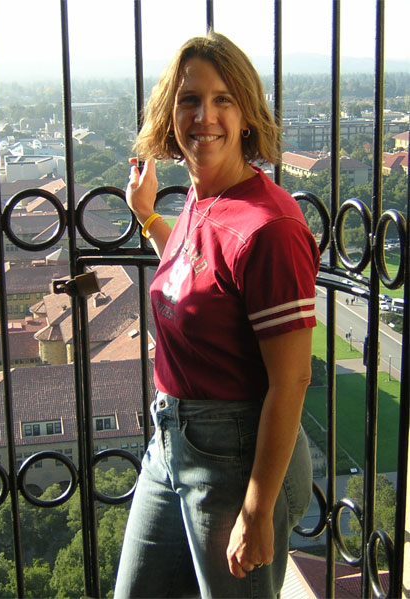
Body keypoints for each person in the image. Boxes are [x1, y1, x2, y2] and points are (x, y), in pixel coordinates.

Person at [114, 31, 320, 599]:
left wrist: (256, 512)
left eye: (223, 99)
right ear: (170, 113)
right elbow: (196, 278)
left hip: (235, 455)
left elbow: (292, 380)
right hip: (170, 440)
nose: (204, 116)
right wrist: (148, 216)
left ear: (247, 114)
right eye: (189, 100)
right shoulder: (203, 199)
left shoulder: (270, 228)